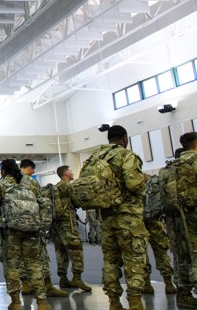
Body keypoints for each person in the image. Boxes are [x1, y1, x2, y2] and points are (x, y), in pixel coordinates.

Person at [0, 159, 51, 310]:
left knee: (12, 266)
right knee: (34, 264)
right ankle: (42, 302)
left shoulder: (0, 186)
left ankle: (16, 302)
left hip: (11, 232)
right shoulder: (31, 183)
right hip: (32, 231)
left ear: (3, 171)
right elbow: (43, 203)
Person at [96, 125, 148, 310]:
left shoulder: (96, 158)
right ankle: (135, 303)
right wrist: (144, 181)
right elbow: (133, 184)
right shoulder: (127, 155)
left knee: (110, 261)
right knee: (133, 259)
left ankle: (114, 302)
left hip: (106, 218)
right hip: (128, 218)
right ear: (125, 138)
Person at [19, 159, 67, 298]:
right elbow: (40, 202)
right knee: (41, 255)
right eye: (32, 170)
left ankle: (26, 284)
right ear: (28, 168)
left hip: (16, 226)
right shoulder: (31, 182)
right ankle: (48, 285)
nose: (33, 172)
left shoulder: (12, 182)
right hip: (33, 224)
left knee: (22, 255)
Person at [52, 165, 91, 291]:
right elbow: (78, 202)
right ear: (66, 173)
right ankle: (77, 277)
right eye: (71, 171)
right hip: (68, 223)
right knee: (76, 249)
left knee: (61, 251)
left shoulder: (56, 187)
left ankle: (63, 278)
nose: (72, 172)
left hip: (56, 225)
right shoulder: (68, 186)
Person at [170, 135, 197, 308]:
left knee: (183, 257)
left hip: (178, 218)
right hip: (195, 214)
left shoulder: (174, 164)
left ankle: (184, 295)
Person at [142, 174, 175, 295]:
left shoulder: (130, 183)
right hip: (156, 221)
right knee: (161, 253)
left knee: (141, 254)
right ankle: (169, 284)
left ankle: (147, 285)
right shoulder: (152, 180)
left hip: (139, 224)